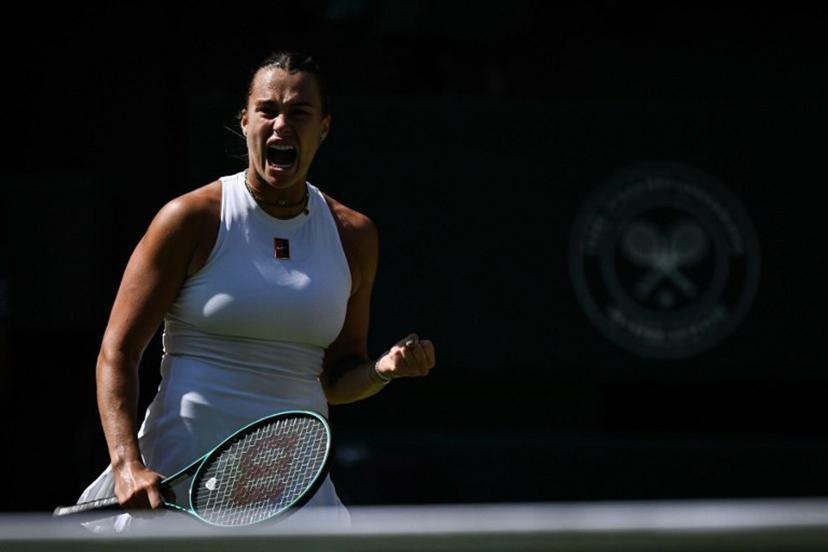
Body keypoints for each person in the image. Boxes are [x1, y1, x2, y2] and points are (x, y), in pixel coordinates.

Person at [77, 51, 436, 531]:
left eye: (299, 113)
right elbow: (116, 353)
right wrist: (126, 465)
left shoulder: (354, 235)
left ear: (323, 128)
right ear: (245, 121)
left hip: (293, 495)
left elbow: (338, 377)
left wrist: (381, 370)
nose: (281, 124)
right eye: (267, 110)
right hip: (177, 480)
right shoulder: (190, 219)